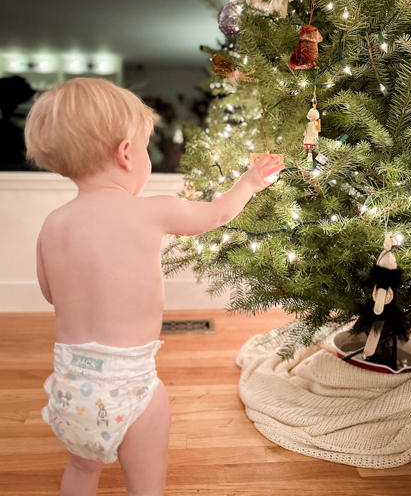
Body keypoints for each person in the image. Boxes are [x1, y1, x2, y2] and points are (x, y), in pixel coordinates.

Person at [24, 77, 285, 496]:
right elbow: (216, 214)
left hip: (72, 385)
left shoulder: (54, 225)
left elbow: (49, 292)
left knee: (81, 471)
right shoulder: (153, 211)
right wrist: (249, 183)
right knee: (145, 485)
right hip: (131, 383)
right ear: (127, 153)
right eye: (146, 147)